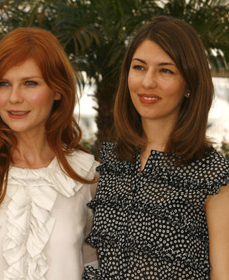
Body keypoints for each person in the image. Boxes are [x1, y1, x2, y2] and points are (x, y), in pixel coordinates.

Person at [0, 27, 99, 280]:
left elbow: (91, 265)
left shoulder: (86, 174)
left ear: (57, 90)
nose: (14, 98)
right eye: (3, 84)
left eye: (30, 83)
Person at [84, 16, 229, 279]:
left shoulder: (213, 174)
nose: (147, 82)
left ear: (189, 84)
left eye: (166, 70)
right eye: (139, 67)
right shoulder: (112, 163)